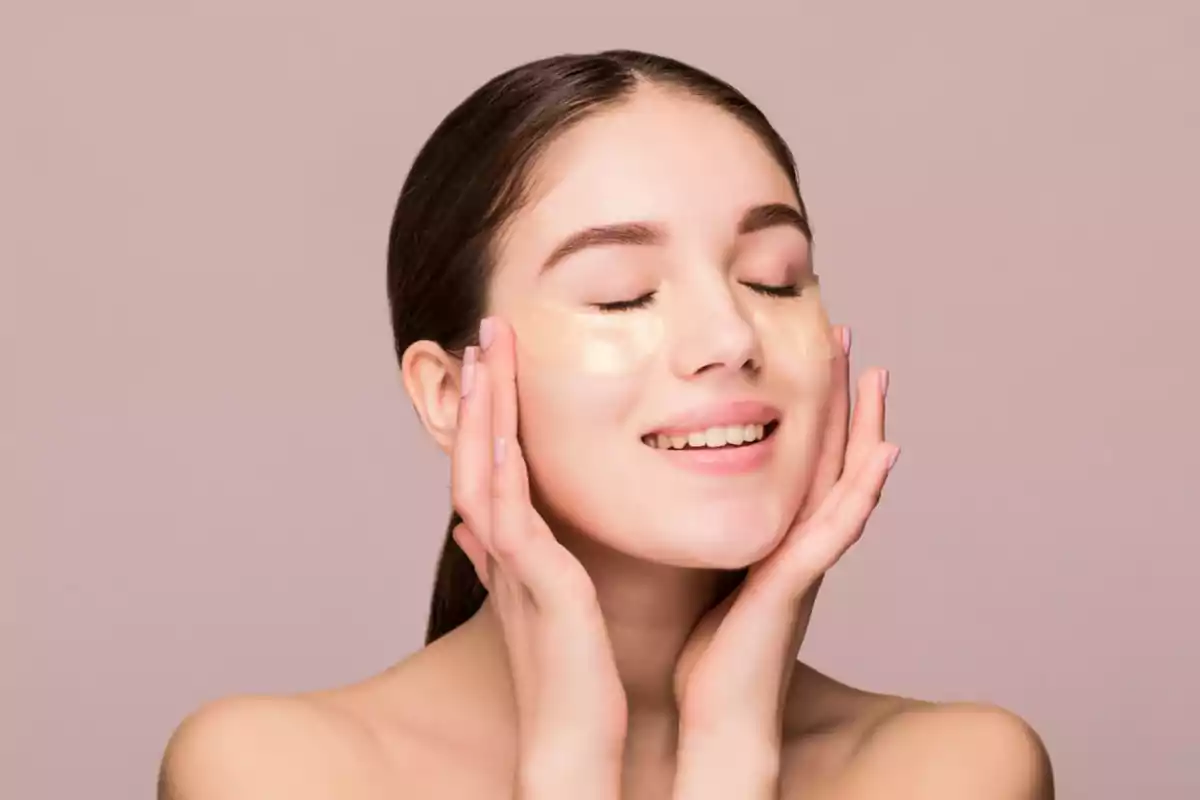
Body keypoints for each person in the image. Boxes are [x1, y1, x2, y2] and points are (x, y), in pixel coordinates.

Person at [157, 50, 1054, 799]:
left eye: (776, 277)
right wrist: (570, 764)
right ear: (446, 392)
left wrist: (732, 752)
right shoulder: (279, 772)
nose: (731, 337)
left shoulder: (950, 772)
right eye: (622, 295)